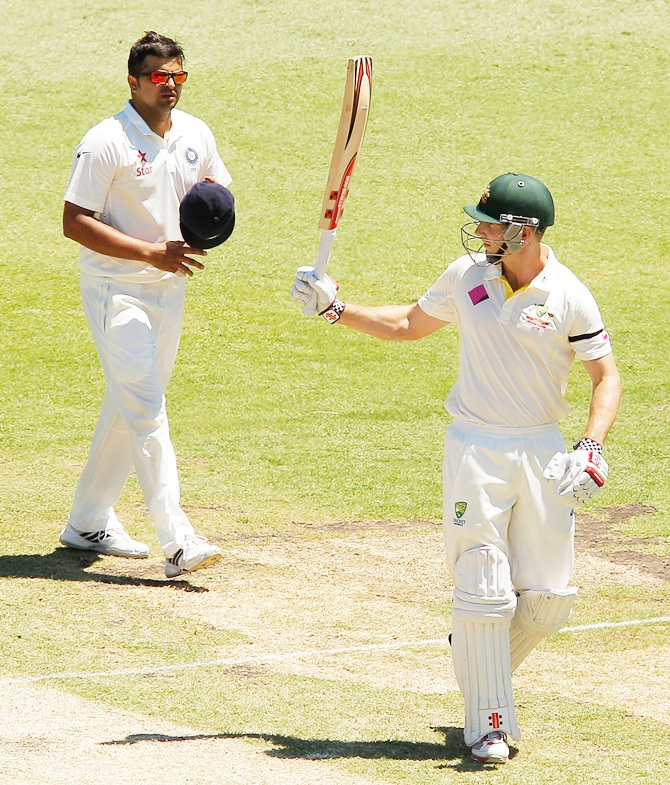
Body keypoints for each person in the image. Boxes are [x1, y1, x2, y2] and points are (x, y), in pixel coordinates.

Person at [290, 172, 621, 763]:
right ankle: (489, 725)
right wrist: (335, 308)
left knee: (547, 603)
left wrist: (591, 445)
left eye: (492, 223)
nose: (481, 231)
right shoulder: (467, 276)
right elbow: (408, 325)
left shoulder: (569, 293)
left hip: (543, 450)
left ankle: (474, 650)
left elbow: (606, 376)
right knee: (484, 587)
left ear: (525, 232)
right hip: (477, 447)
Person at [60, 31, 233, 579]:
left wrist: (207, 227)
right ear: (133, 81)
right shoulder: (106, 141)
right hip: (118, 291)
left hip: (168, 287)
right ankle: (178, 538)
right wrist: (148, 253)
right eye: (159, 77)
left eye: (178, 75)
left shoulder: (195, 133)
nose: (170, 86)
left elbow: (213, 192)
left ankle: (87, 521)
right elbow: (74, 221)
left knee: (130, 403)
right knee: (147, 408)